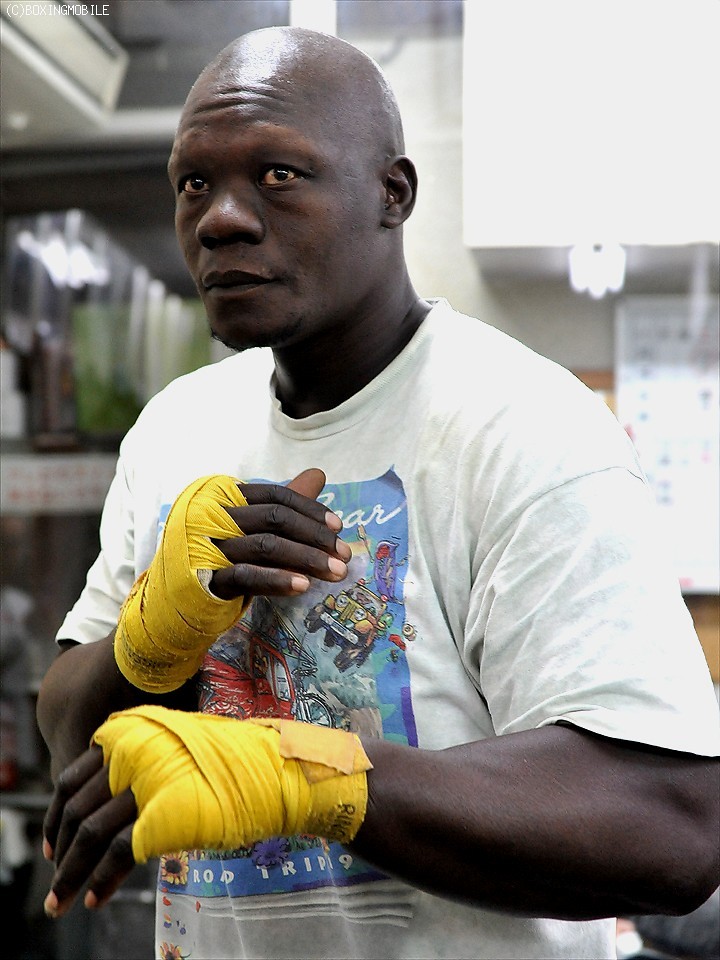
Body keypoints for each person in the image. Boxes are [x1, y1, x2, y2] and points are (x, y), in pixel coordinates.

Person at [36, 26, 719, 960]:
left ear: (392, 194)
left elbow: (672, 825)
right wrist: (148, 643)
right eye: (194, 183)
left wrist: (306, 774)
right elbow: (71, 735)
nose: (220, 219)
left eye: (278, 174)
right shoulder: (174, 429)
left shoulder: (527, 427)